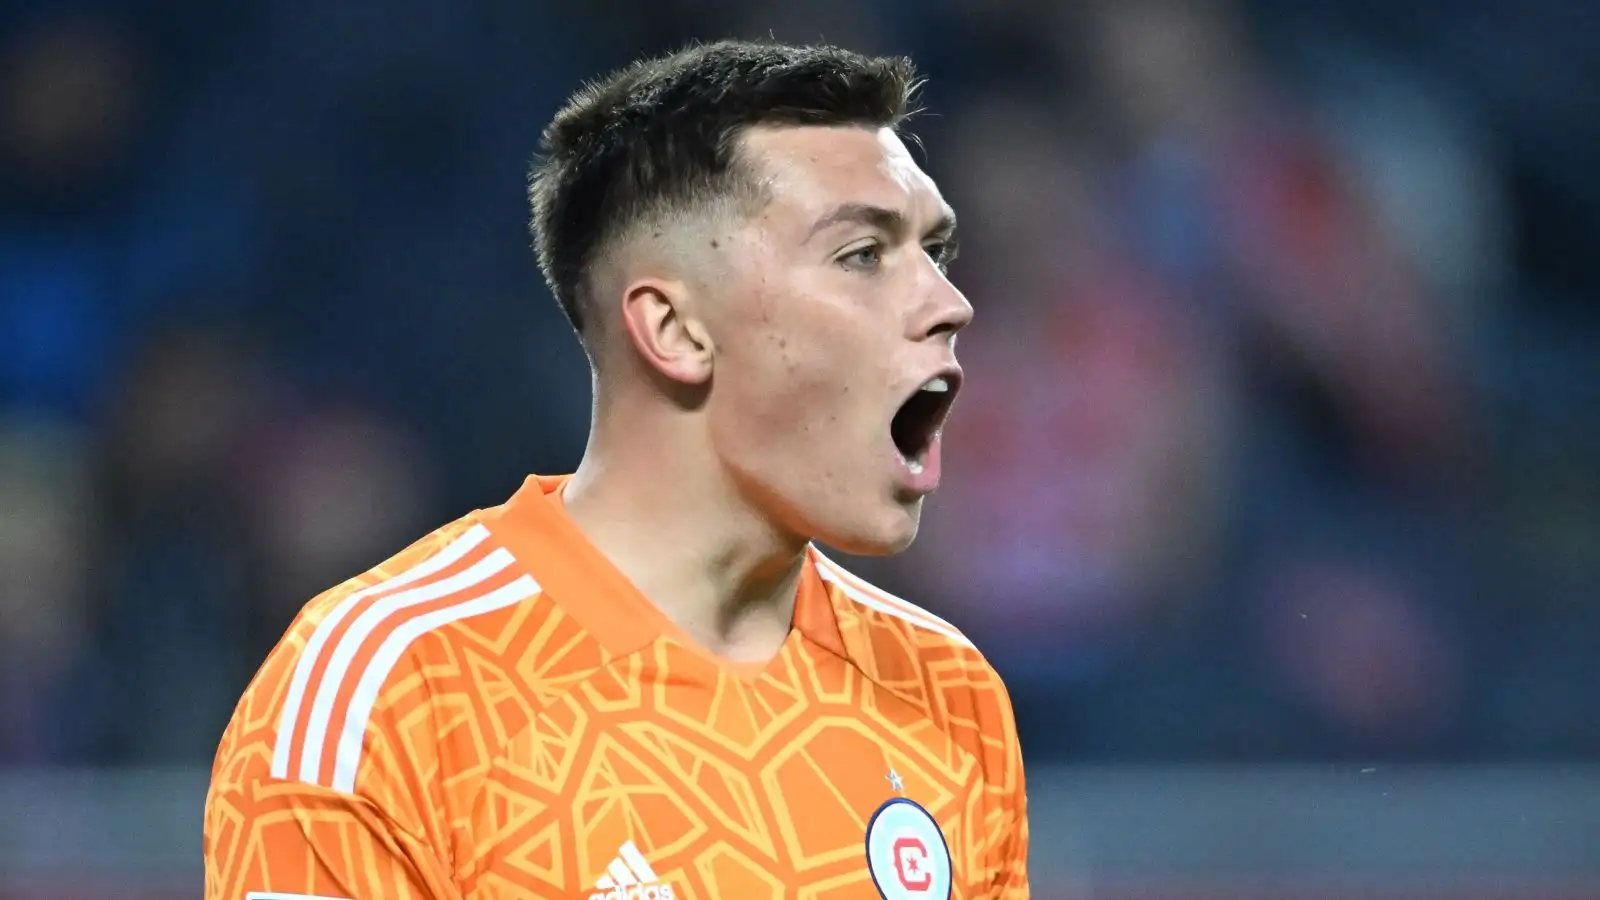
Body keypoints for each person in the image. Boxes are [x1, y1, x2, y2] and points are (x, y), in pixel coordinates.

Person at [203, 40, 1028, 899]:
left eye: (936, 251)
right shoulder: (391, 689)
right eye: (862, 254)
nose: (949, 302)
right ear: (673, 331)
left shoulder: (948, 692)